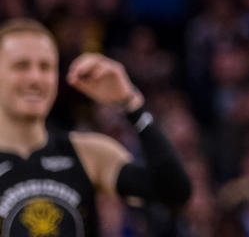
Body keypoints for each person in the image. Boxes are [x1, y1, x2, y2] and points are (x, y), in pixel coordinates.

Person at [0, 17, 191, 235]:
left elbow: (175, 190)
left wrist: (131, 103)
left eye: (46, 67)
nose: (35, 78)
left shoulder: (88, 154)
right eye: (21, 66)